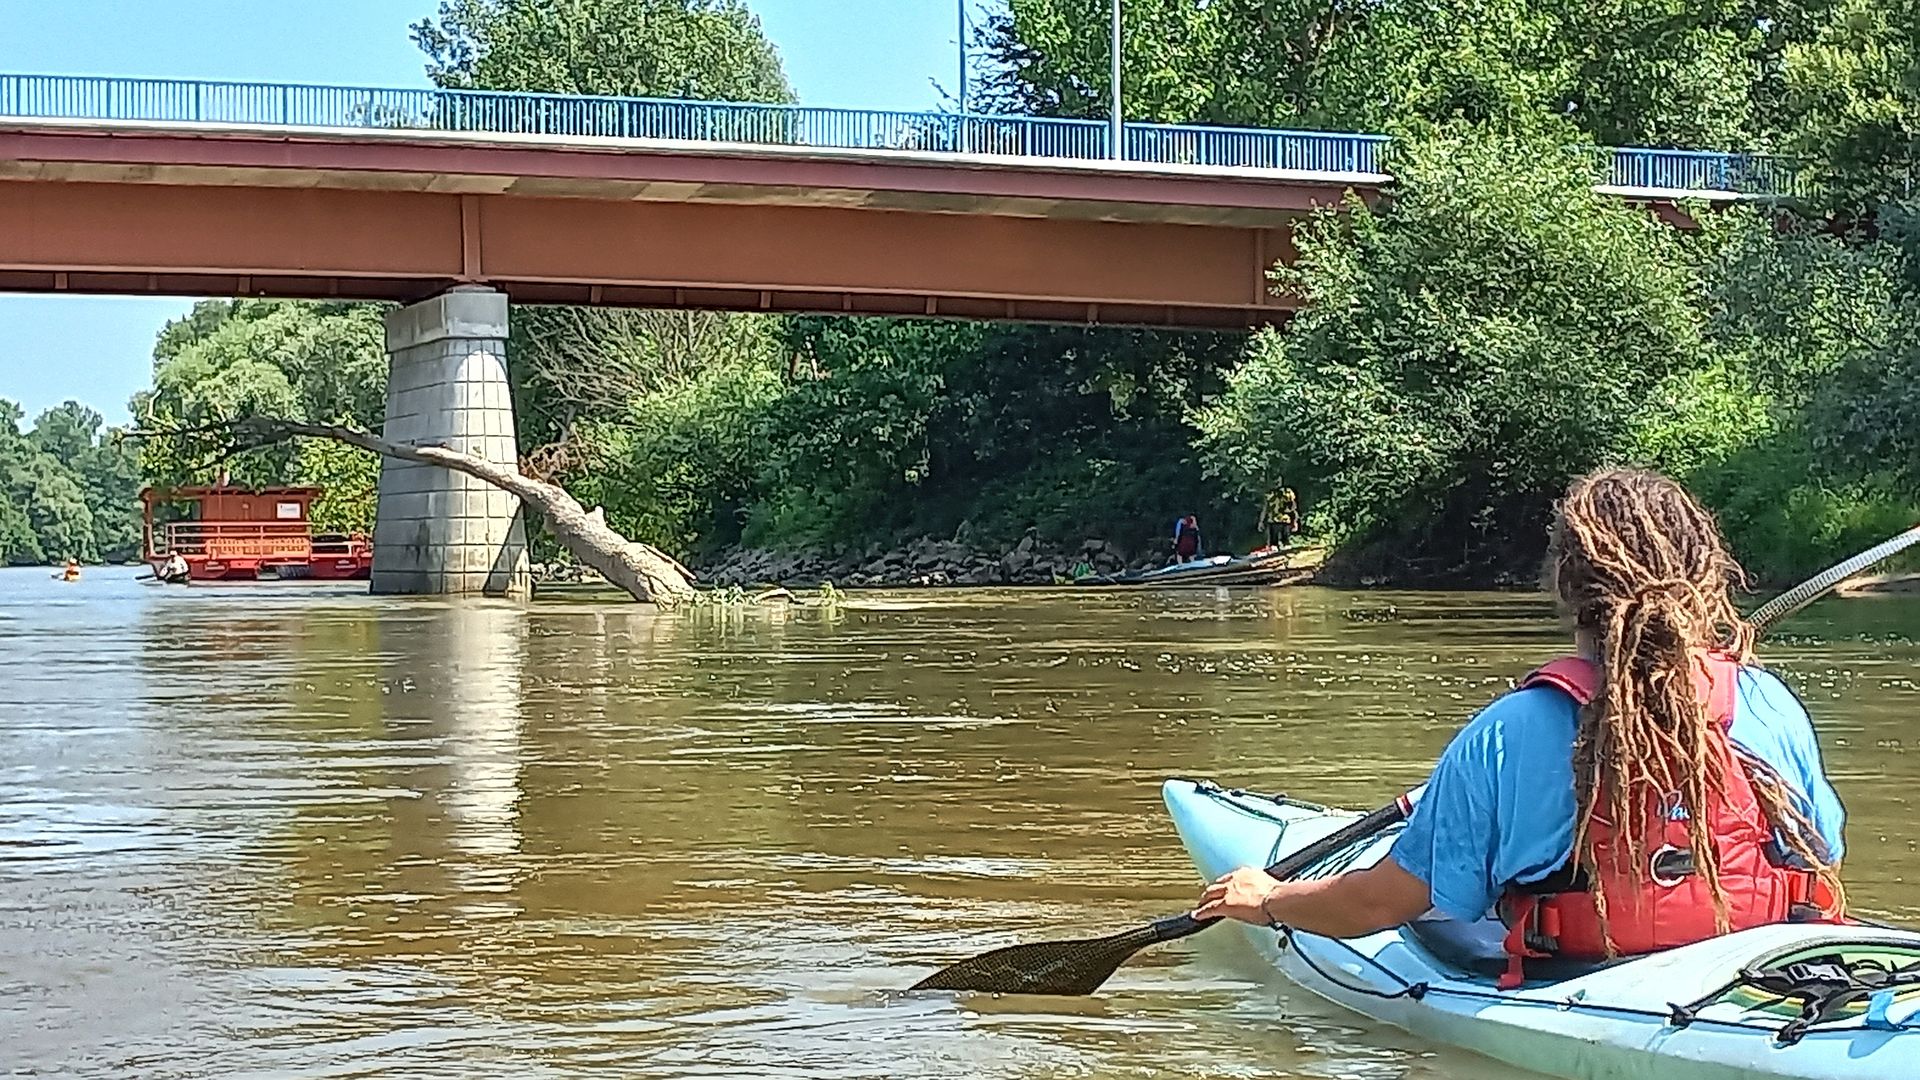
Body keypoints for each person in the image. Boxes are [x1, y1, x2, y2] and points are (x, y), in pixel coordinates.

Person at [1195, 468, 1845, 982]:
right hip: (1759, 969)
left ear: (1563, 582)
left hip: (1581, 978)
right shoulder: (1766, 703)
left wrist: (1269, 900)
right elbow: (1826, 856)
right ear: (1704, 577)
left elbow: (1377, 906)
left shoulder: (1508, 733)